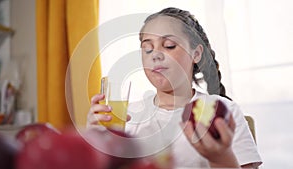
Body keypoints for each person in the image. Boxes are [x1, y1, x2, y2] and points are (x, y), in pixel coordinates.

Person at [87, 7, 262, 168]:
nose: (155, 55)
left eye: (169, 45)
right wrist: (96, 147)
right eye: (147, 48)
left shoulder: (223, 111)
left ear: (196, 54)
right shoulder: (125, 118)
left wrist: (220, 157)